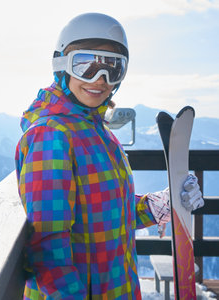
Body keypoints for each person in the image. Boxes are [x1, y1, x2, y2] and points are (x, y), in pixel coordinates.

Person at [14, 12, 204, 299]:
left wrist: (161, 205)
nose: (100, 79)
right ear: (62, 65)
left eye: (113, 69)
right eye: (86, 65)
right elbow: (48, 250)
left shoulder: (96, 129)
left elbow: (111, 214)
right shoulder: (52, 135)